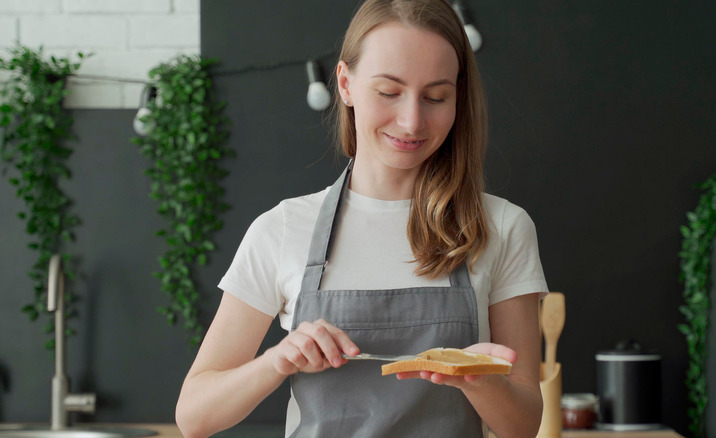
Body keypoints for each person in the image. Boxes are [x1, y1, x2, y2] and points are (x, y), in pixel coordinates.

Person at [175, 0, 548, 437]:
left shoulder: (502, 226)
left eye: (436, 96)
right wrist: (276, 361)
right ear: (346, 84)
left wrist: (480, 383)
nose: (411, 121)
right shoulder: (281, 229)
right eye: (389, 92)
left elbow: (525, 425)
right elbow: (194, 416)